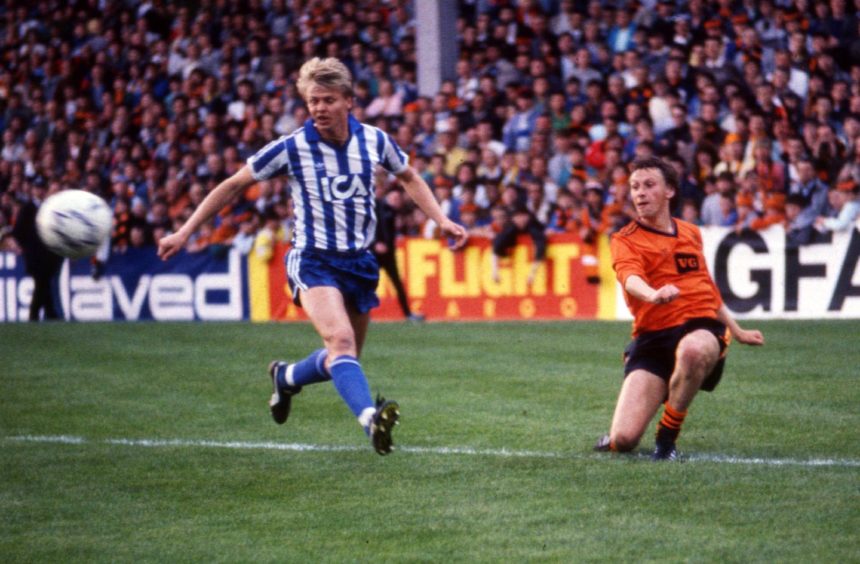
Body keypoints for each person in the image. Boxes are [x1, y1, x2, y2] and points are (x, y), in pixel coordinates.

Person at [158, 57, 468, 455]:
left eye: (327, 100)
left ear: (349, 101)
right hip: (313, 259)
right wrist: (185, 231)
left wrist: (442, 219)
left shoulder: (374, 140)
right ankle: (370, 419)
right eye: (312, 101)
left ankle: (285, 376)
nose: (318, 108)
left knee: (343, 356)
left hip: (358, 262)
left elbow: (408, 176)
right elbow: (234, 184)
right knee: (340, 342)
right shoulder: (292, 147)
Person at [594, 156, 764, 461]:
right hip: (653, 338)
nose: (640, 193)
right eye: (634, 187)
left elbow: (706, 287)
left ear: (669, 190)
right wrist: (653, 294)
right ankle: (642, 415)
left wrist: (736, 330)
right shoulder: (624, 240)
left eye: (648, 185)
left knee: (693, 350)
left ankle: (666, 440)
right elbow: (630, 279)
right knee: (624, 439)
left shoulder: (690, 232)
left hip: (701, 329)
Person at [11, 182, 65, 321]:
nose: (39, 191)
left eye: (41, 188)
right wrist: (24, 247)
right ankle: (34, 314)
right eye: (37, 188)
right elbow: (18, 231)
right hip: (35, 255)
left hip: (49, 255)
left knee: (44, 283)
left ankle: (50, 313)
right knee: (42, 283)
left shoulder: (48, 206)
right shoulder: (27, 208)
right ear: (33, 190)